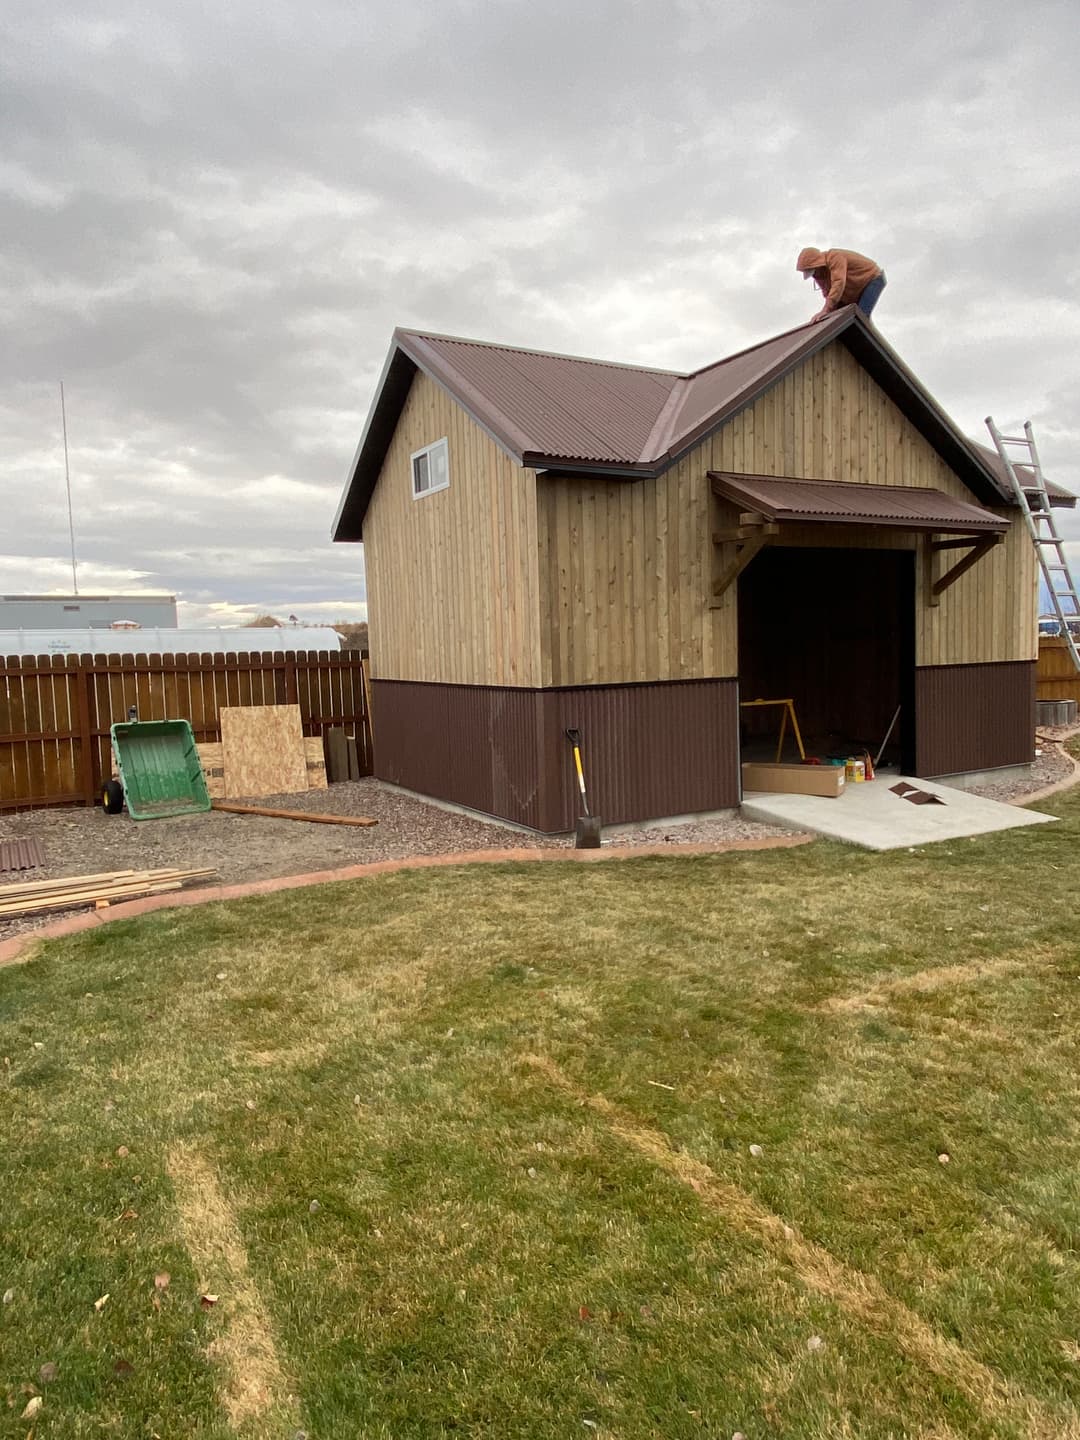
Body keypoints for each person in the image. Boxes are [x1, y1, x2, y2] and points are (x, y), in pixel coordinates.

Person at [796, 247, 886, 322]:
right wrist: (827, 315)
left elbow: (838, 282)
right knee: (839, 318)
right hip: (853, 292)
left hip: (871, 279)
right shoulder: (820, 275)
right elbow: (828, 294)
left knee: (859, 317)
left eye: (813, 271)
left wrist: (826, 309)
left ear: (818, 265)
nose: (814, 275)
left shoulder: (835, 257)